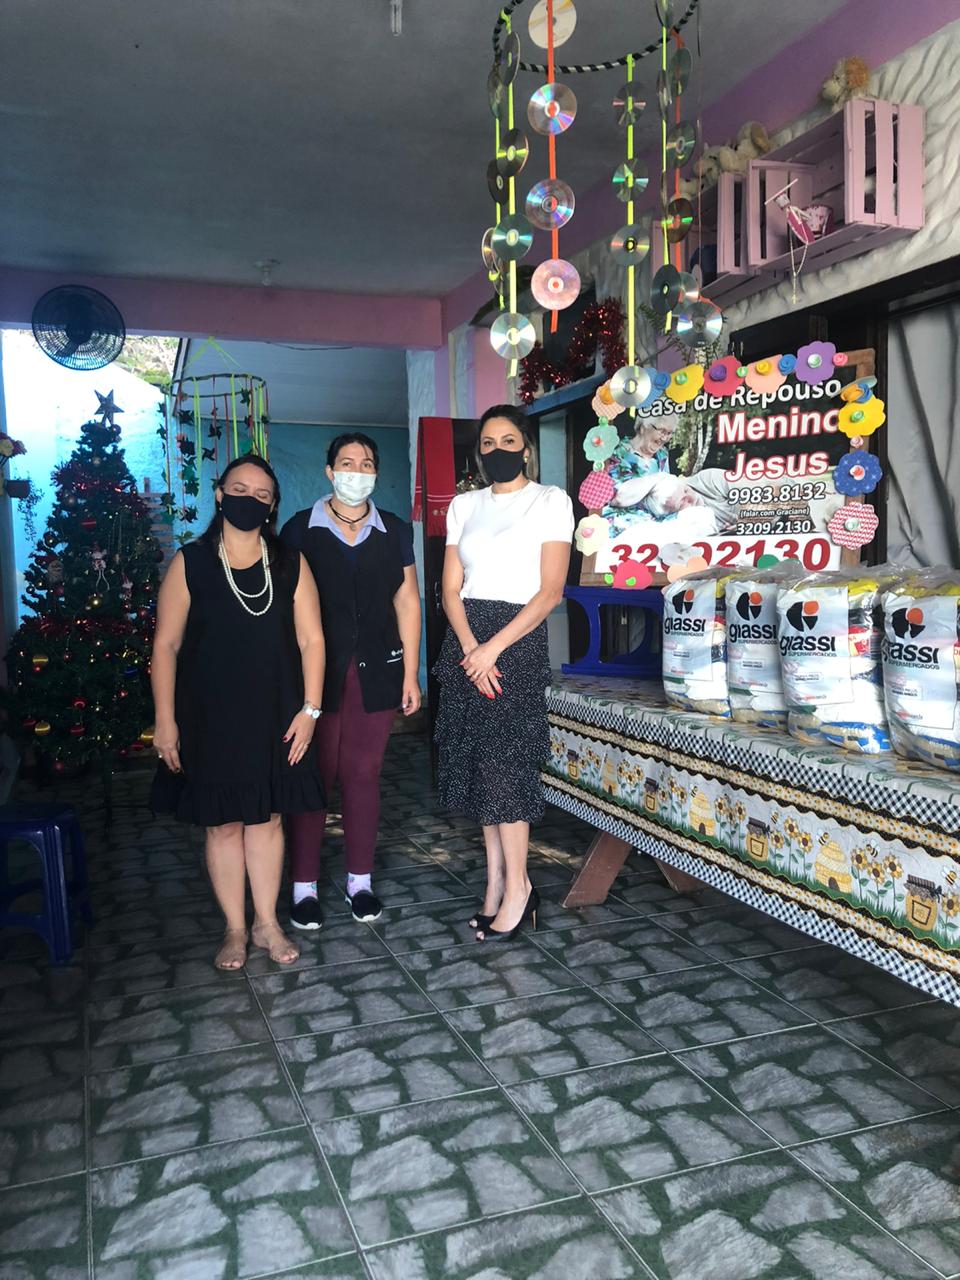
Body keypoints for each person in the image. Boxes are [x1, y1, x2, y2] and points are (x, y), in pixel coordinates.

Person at [150, 456, 326, 971]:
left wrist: (311, 710)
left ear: (272, 506)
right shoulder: (191, 562)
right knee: (223, 824)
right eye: (239, 489)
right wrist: (165, 720)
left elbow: (312, 640)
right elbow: (166, 645)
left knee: (267, 820)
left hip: (276, 712)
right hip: (208, 716)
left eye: (262, 494)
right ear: (220, 495)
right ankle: (234, 927)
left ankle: (267, 922)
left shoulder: (290, 563)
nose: (250, 499)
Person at [436, 405, 573, 942]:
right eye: (488, 443)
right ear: (479, 452)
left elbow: (550, 591)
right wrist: (472, 648)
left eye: (508, 441)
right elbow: (450, 589)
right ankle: (494, 885)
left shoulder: (550, 500)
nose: (498, 451)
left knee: (506, 770)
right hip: (466, 639)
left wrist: (492, 649)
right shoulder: (464, 505)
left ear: (526, 448)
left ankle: (520, 888)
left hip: (514, 641)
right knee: (479, 768)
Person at [280, 433, 421, 928]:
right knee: (313, 776)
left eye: (365, 464)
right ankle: (303, 886)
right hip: (314, 678)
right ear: (329, 471)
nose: (355, 472)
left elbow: (407, 601)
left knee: (363, 775)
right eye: (346, 462)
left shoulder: (394, 530)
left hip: (377, 672)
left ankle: (360, 882)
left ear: (375, 474)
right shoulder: (300, 530)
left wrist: (410, 673)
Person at [603, 414, 679, 535]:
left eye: (669, 433)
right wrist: (657, 478)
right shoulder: (620, 452)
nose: (665, 438)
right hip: (626, 517)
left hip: (658, 517)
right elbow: (618, 499)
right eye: (662, 431)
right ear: (643, 427)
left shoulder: (662, 454)